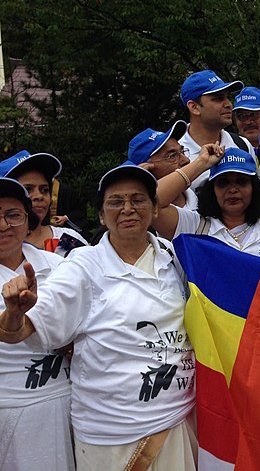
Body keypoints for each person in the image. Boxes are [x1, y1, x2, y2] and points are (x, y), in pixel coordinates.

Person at [0, 163, 197, 470]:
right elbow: (20, 330)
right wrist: (14, 314)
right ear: (102, 216)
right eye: (116, 202)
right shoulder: (82, 266)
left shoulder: (174, 256)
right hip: (111, 434)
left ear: (155, 209)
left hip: (176, 419)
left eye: (138, 199)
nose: (128, 209)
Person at [0, 177, 74, 471]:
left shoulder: (61, 267)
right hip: (9, 406)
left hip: (65, 400)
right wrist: (15, 316)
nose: (4, 225)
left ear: (28, 220)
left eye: (13, 215)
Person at [153, 146, 260, 254]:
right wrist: (201, 163)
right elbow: (153, 203)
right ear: (212, 189)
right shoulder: (194, 226)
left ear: (254, 187)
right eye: (223, 182)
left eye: (241, 181)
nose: (232, 190)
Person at [0, 151, 88, 257]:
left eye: (44, 190)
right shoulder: (5, 246)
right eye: (27, 189)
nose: (39, 196)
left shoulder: (66, 240)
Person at [178, 69, 254, 189]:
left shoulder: (242, 145)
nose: (229, 104)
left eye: (227, 97)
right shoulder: (174, 153)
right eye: (218, 98)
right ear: (194, 107)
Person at [128, 120, 197, 210]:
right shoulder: (143, 218)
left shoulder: (207, 201)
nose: (186, 160)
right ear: (147, 169)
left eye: (182, 151)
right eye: (172, 156)